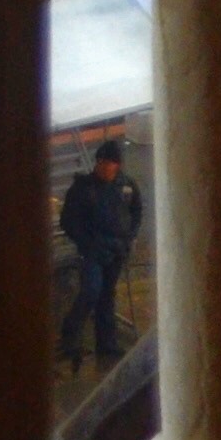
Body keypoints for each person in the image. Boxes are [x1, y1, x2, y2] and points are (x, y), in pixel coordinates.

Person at [57, 142, 141, 369]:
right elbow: (69, 221)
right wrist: (87, 242)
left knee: (107, 295)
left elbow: (136, 211)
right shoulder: (83, 189)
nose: (106, 168)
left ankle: (107, 342)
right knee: (91, 290)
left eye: (110, 164)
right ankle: (70, 335)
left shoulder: (126, 186)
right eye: (103, 163)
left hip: (116, 250)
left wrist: (130, 235)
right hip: (93, 251)